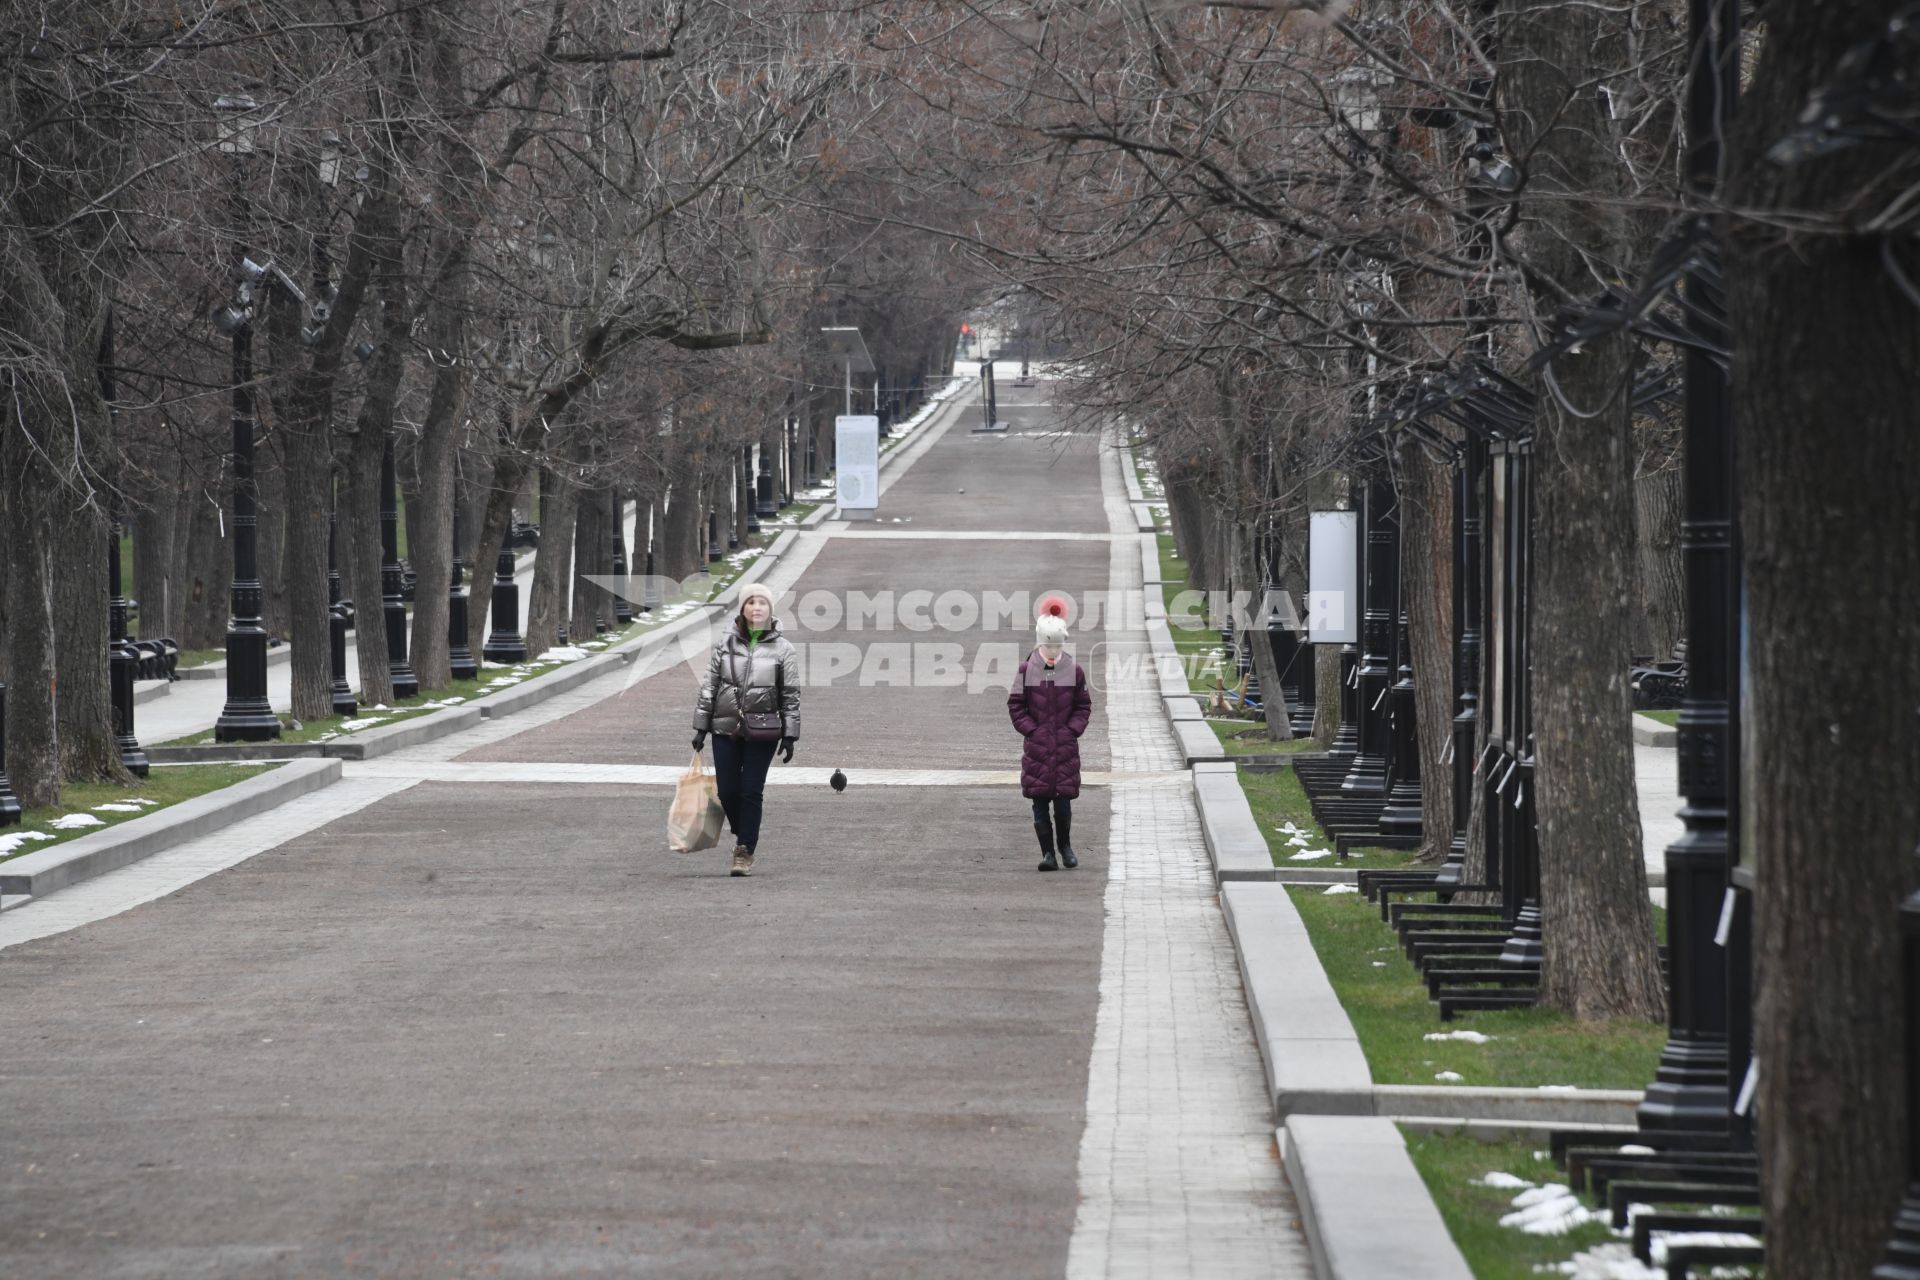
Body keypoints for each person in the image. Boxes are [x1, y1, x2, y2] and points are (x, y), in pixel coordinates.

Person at [691, 583, 801, 876]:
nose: (756, 608)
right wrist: (701, 726)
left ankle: (744, 850)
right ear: (742, 608)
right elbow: (710, 686)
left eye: (762, 603)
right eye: (750, 602)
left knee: (751, 790)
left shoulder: (783, 649)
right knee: (728, 791)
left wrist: (790, 733)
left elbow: (790, 694)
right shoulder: (725, 645)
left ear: (770, 609)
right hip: (725, 727)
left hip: (763, 729)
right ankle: (745, 831)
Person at [1007, 609, 1092, 872]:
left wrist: (1072, 730)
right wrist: (1031, 730)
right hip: (1038, 750)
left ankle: (1065, 847)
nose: (1053, 650)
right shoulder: (1027, 670)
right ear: (1040, 643)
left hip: (1064, 748)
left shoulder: (1073, 671)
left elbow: (1083, 705)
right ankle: (1047, 854)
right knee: (1040, 804)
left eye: (1057, 645)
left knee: (1063, 803)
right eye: (1049, 645)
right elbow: (1015, 705)